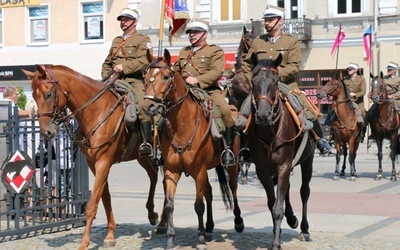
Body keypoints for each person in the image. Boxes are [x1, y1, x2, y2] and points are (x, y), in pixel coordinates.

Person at [239, 5, 331, 155]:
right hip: (263, 88)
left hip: (286, 85)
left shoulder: (291, 42)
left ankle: (319, 139)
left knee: (306, 107)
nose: (267, 23)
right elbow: (247, 64)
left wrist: (275, 77)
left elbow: (295, 65)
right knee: (243, 112)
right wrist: (255, 81)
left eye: (270, 20)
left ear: (280, 21)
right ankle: (245, 148)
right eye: (266, 20)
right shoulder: (258, 42)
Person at [174, 19, 236, 167]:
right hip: (185, 90)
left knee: (226, 110)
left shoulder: (214, 50)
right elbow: (176, 71)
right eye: (190, 32)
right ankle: (161, 148)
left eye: (196, 32)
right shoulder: (184, 51)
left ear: (205, 34)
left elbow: (217, 72)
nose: (192, 35)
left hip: (208, 90)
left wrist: (197, 80)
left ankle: (228, 149)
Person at [101, 8, 154, 157]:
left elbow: (145, 60)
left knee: (142, 106)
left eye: (127, 19)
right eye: (121, 19)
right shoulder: (116, 41)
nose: (123, 22)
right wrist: (106, 76)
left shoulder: (143, 40)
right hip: (113, 80)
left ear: (135, 22)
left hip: (133, 80)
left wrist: (124, 67)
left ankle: (146, 142)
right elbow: (107, 62)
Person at [367, 61, 400, 136]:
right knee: (370, 113)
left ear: (395, 70)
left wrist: (392, 96)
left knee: (399, 110)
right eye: (388, 69)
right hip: (383, 99)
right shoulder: (383, 78)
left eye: (390, 69)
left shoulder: (398, 79)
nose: (388, 70)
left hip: (395, 99)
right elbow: (378, 88)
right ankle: (373, 131)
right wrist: (371, 94)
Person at [343, 62, 366, 141]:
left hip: (357, 102)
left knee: (363, 114)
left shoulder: (361, 79)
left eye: (351, 69)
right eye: (348, 69)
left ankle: (362, 132)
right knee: (333, 114)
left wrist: (355, 94)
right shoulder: (345, 79)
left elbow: (363, 92)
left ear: (355, 70)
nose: (349, 70)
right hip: (347, 102)